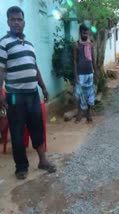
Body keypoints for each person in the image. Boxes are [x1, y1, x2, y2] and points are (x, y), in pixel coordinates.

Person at [0, 6, 56, 179]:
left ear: (24, 22)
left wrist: (43, 87)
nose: (16, 23)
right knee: (17, 131)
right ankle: (21, 167)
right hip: (15, 95)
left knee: (37, 127)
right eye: (13, 19)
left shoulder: (30, 45)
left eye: (19, 19)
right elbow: (0, 71)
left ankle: (42, 160)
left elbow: (35, 68)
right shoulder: (3, 43)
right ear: (8, 22)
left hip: (33, 94)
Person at [73, 24, 97, 123]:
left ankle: (89, 113)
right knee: (79, 94)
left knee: (90, 94)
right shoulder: (76, 45)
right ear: (80, 32)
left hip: (89, 73)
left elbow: (93, 59)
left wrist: (96, 72)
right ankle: (80, 113)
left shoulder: (90, 44)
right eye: (84, 32)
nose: (85, 34)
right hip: (80, 74)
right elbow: (74, 60)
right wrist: (75, 74)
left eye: (87, 32)